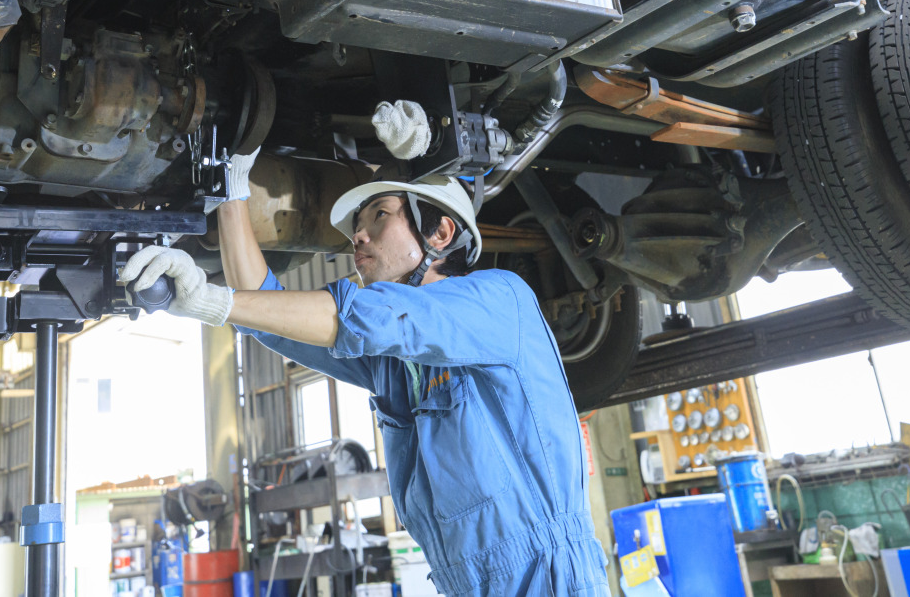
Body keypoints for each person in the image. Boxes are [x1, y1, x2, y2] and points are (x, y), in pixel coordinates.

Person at [119, 147, 610, 597]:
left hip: (549, 579)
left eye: (379, 216)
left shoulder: (502, 300)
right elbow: (271, 320)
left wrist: (212, 300)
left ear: (440, 233)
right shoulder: (393, 364)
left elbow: (369, 315)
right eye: (360, 223)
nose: (357, 235)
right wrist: (231, 191)